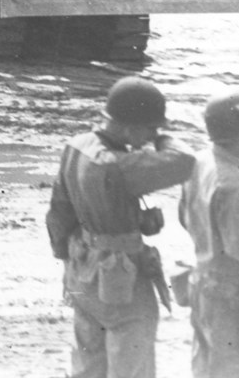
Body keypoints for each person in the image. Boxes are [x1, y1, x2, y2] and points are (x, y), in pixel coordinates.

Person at [46, 76, 196, 378]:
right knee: (132, 366)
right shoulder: (119, 165)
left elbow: (58, 213)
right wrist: (162, 139)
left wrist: (66, 265)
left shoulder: (77, 147)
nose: (152, 134)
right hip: (122, 281)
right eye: (151, 127)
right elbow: (185, 161)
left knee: (87, 365)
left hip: (82, 271)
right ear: (129, 127)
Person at [179, 87, 239, 378]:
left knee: (206, 366)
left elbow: (184, 217)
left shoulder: (199, 162)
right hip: (231, 293)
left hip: (203, 281)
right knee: (233, 367)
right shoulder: (232, 183)